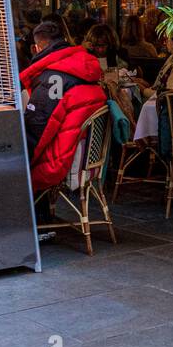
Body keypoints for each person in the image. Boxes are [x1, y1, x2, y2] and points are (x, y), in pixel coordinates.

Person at [20, 21, 106, 210]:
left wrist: (17, 153)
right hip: (85, 155)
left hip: (62, 159)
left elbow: (38, 128)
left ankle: (32, 221)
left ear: (37, 48)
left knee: (13, 159)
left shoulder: (52, 77)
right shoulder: (84, 66)